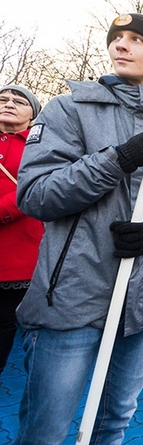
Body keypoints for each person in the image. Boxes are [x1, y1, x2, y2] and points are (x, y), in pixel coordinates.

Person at [12, 13, 143, 444]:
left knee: (115, 421)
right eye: (116, 38)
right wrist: (119, 159)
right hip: (74, 296)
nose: (121, 45)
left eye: (136, 39)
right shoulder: (70, 110)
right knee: (46, 428)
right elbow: (37, 195)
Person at [0, 85, 44, 376]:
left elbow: (37, 187)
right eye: (3, 99)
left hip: (16, 247)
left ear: (33, 114)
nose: (10, 103)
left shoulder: (40, 145)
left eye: (19, 101)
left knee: (2, 320)